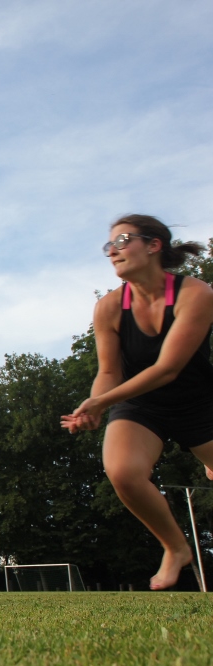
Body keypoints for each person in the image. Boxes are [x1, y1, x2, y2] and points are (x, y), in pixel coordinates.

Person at [62, 214, 213, 590]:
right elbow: (110, 372)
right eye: (108, 246)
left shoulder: (196, 294)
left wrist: (101, 403)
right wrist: (94, 403)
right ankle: (176, 548)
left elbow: (167, 368)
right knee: (122, 471)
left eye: (123, 240)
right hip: (141, 405)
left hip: (199, 401)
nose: (113, 251)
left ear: (154, 245)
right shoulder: (109, 308)